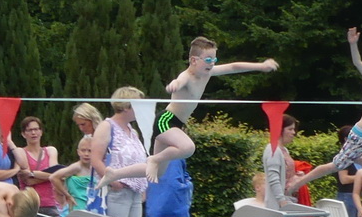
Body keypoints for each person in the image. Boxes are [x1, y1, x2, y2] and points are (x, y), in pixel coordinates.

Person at [104, 37, 278, 184]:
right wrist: (174, 85)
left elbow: (233, 67)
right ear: (194, 60)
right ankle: (154, 159)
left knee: (159, 172)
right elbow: (179, 80)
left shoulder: (208, 73)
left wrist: (260, 66)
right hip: (166, 120)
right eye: (208, 60)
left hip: (176, 124)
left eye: (214, 60)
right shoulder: (187, 76)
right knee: (188, 147)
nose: (212, 64)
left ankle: (115, 174)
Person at [288, 28, 362, 193]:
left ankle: (356, 158)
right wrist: (353, 44)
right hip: (360, 134)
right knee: (334, 166)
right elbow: (357, 63)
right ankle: (298, 183)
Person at [92, 88, 150, 217]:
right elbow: (96, 159)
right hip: (117, 192)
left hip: (135, 192)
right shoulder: (107, 127)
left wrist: (142, 187)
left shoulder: (132, 131)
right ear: (127, 105)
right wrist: (112, 182)